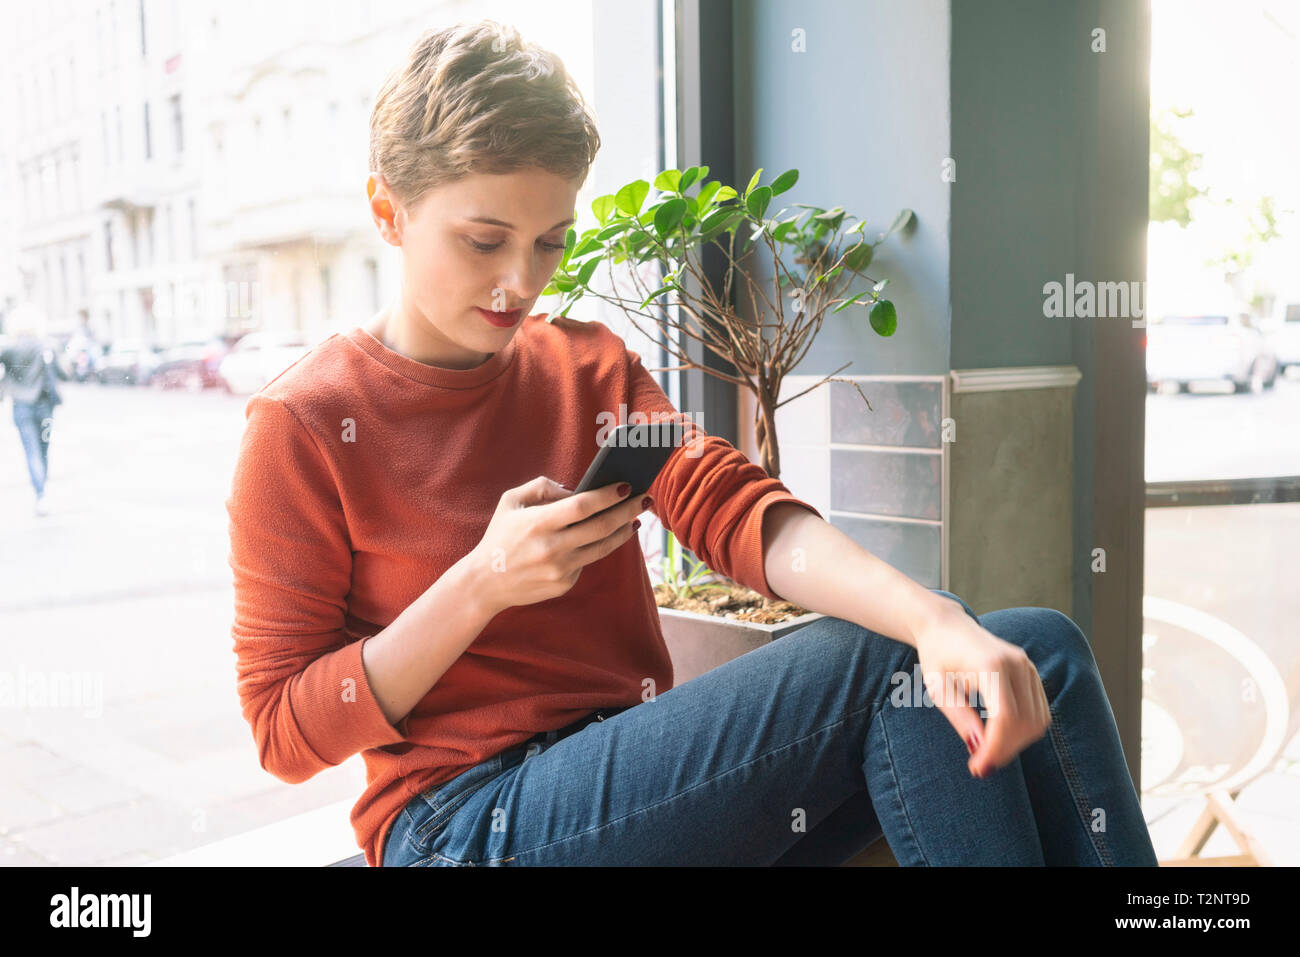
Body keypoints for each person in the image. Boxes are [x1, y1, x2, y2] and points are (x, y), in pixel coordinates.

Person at [225, 19, 1159, 867]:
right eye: (483, 240)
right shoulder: (302, 427)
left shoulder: (584, 368)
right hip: (462, 824)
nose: (522, 281)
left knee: (1035, 645)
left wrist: (941, 621)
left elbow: (738, 511)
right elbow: (284, 733)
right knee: (894, 652)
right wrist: (481, 583)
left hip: (636, 789)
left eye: (550, 242)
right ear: (389, 212)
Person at [1, 301, 67, 516]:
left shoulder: (8, 349)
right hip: (44, 407)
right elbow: (63, 373)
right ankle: (43, 491)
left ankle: (40, 494)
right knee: (44, 449)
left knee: (31, 451)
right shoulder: (48, 346)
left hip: (21, 408)